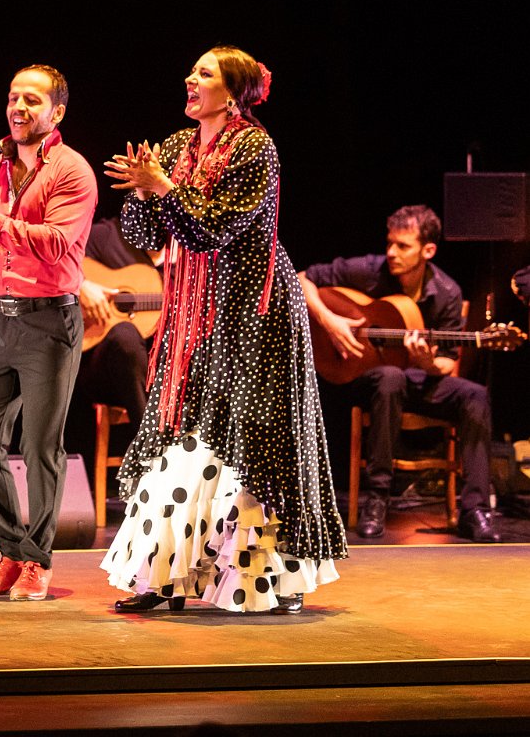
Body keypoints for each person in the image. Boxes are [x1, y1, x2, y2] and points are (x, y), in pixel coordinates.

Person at [100, 46, 347, 614]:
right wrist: (143, 192)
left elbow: (215, 228)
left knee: (255, 440)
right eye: (192, 70)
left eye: (204, 73)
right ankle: (162, 577)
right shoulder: (175, 148)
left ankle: (274, 577)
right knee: (182, 435)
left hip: (254, 311)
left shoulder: (256, 147)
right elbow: (146, 234)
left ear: (233, 93)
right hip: (194, 311)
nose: (190, 78)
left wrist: (164, 188)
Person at [0, 65, 98, 601]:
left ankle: (38, 559)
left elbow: (54, 243)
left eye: (32, 99)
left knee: (40, 446)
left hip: (49, 320)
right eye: (13, 97)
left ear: (57, 111)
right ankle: (8, 549)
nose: (18, 107)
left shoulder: (72, 170)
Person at [299, 205, 502, 542]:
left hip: (420, 380)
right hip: (366, 380)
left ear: (428, 250)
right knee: (390, 376)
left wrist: (426, 362)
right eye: (390, 243)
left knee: (475, 395)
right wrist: (329, 321)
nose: (392, 252)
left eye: (403, 246)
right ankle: (377, 499)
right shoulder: (370, 270)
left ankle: (475, 510)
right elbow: (301, 277)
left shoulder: (447, 293)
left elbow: (446, 364)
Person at [65, 217, 162, 464]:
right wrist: (81, 284)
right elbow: (51, 262)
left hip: (162, 377)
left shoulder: (194, 258)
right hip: (104, 373)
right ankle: (153, 453)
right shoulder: (107, 236)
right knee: (124, 335)